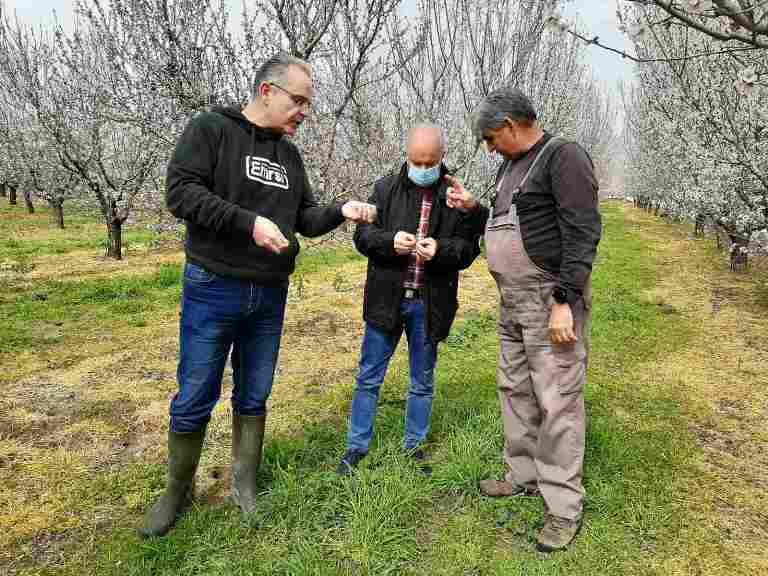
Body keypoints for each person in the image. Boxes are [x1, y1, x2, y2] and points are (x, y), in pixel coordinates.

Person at [139, 53, 376, 538]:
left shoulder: (290, 157)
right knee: (196, 392)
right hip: (213, 286)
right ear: (267, 91)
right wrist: (248, 223)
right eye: (299, 100)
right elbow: (181, 193)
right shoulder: (211, 130)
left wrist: (340, 210)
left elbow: (304, 219)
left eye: (308, 104)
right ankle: (176, 490)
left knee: (255, 393)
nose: (304, 112)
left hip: (269, 296)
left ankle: (243, 484)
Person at [446, 88, 601, 552]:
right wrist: (474, 209)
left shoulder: (563, 157)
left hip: (547, 299)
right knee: (515, 388)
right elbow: (509, 225)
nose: (490, 147)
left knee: (557, 399)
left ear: (512, 125)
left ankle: (562, 506)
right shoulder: (510, 166)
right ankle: (523, 473)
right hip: (511, 301)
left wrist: (564, 300)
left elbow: (582, 230)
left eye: (492, 138)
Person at [336, 124, 481, 475]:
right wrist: (389, 242)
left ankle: (414, 446)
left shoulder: (455, 196)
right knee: (369, 376)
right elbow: (363, 236)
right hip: (387, 298)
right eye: (417, 161)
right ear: (407, 156)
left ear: (442, 158)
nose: (423, 168)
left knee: (422, 380)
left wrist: (443, 250)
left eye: (430, 161)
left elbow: (468, 248)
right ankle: (357, 447)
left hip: (429, 304)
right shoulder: (385, 189)